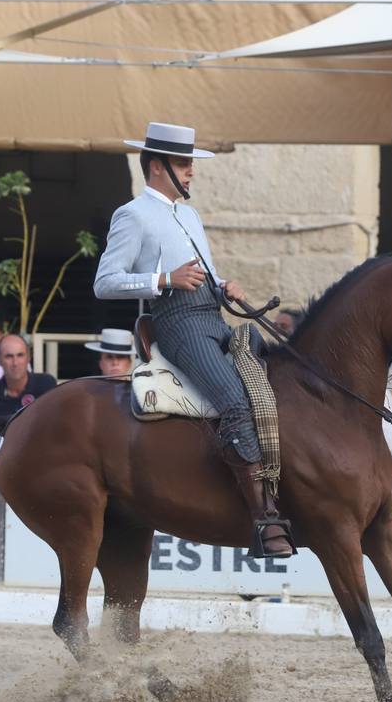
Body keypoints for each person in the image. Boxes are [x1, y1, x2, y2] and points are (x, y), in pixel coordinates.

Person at [93, 121, 292, 559]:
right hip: (177, 323)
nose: (191, 172)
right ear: (158, 167)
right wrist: (164, 278)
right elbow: (104, 282)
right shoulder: (132, 214)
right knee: (236, 402)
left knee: (269, 381)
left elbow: (203, 270)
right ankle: (264, 519)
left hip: (213, 315)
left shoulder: (190, 214)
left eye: (190, 164)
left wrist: (224, 285)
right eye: (184, 164)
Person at [0, 334, 57, 414]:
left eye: (20, 355)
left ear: (29, 358)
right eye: (9, 356)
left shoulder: (45, 384)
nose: (15, 363)